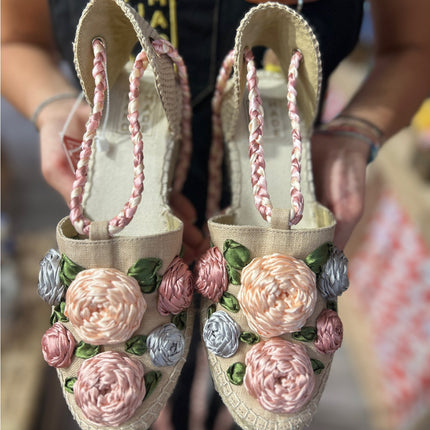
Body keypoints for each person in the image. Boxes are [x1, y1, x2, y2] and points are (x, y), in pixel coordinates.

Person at [2, 0, 430, 428]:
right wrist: (52, 106)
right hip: (126, 157)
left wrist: (357, 132)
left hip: (295, 163)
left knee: (225, 403)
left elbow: (414, 47)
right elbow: (12, 40)